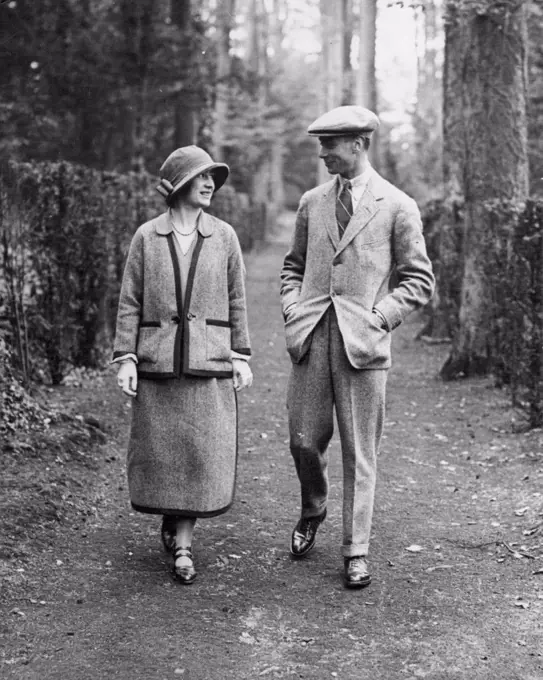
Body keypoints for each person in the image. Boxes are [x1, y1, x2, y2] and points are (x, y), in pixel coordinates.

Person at [280, 106, 434, 588]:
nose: (323, 153)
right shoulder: (312, 202)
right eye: (320, 144)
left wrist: (381, 317)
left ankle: (356, 549)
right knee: (303, 440)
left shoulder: (397, 205)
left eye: (330, 145)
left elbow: (417, 279)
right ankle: (314, 507)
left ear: (358, 145)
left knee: (360, 451)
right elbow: (292, 265)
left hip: (363, 343)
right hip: (312, 336)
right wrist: (292, 306)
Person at [113, 145, 252, 584]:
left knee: (197, 456)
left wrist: (241, 355)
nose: (210, 183)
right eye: (200, 177)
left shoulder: (224, 236)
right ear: (178, 185)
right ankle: (172, 521)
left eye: (212, 177)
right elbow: (130, 301)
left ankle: (185, 547)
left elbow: (237, 299)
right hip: (159, 361)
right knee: (165, 454)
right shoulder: (146, 237)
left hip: (207, 361)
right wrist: (126, 357)